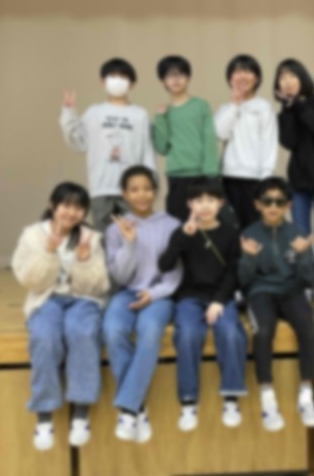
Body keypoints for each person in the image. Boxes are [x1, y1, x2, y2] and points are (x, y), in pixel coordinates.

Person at [11, 182, 109, 451]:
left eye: (78, 207)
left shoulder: (91, 237)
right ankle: (44, 415)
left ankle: (81, 412)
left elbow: (98, 285)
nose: (71, 212)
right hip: (46, 298)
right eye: (66, 205)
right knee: (45, 336)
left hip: (83, 300)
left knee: (82, 333)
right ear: (53, 205)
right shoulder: (32, 235)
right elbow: (30, 281)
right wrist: (48, 252)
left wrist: (84, 260)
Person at [158, 179, 247, 431]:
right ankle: (188, 401)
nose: (205, 206)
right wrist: (183, 237)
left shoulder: (231, 233)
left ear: (221, 203)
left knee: (230, 332)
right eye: (198, 200)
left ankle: (231, 396)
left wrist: (219, 301)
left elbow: (233, 272)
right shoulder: (183, 231)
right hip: (189, 296)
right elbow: (164, 265)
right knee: (187, 333)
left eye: (211, 200)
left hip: (221, 296)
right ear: (190, 204)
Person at [103, 166, 183, 443]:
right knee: (112, 330)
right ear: (124, 194)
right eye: (134, 189)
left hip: (160, 294)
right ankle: (138, 407)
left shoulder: (172, 225)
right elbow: (120, 277)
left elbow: (175, 274)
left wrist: (155, 293)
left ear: (156, 191)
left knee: (149, 332)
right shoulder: (114, 229)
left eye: (147, 188)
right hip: (127, 292)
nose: (142, 195)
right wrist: (129, 243)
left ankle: (128, 409)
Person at [238, 177, 314, 432]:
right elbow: (243, 280)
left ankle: (306, 396)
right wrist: (248, 259)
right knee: (263, 331)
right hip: (261, 292)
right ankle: (268, 399)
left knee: (308, 327)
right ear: (257, 204)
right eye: (267, 201)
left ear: (288, 205)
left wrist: (304, 255)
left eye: (279, 201)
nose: (273, 206)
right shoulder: (249, 234)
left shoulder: (297, 233)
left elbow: (310, 279)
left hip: (292, 291)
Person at [59, 57, 155, 231]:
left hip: (133, 189)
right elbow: (79, 143)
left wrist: (150, 183)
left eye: (123, 77)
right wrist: (69, 113)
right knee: (102, 237)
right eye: (112, 76)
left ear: (132, 84)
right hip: (100, 187)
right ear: (103, 81)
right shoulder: (94, 112)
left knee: (135, 234)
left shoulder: (140, 114)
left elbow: (147, 151)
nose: (117, 81)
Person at [152, 55, 220, 221]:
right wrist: (160, 119)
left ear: (188, 77)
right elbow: (162, 148)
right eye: (170, 75)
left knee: (204, 221)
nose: (176, 79)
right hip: (176, 174)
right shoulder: (165, 112)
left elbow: (209, 140)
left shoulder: (200, 105)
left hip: (201, 174)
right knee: (177, 222)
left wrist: (211, 175)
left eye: (180, 74)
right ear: (163, 81)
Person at [275, 58, 314, 236]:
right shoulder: (284, 112)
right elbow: (289, 142)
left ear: (302, 77)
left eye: (292, 76)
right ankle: (305, 257)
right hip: (298, 182)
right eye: (282, 78)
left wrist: (299, 105)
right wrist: (288, 109)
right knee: (300, 234)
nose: (287, 82)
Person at [215, 54, 278, 229]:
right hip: (229, 176)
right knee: (230, 226)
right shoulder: (225, 108)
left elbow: (269, 144)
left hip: (255, 178)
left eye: (248, 72)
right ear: (230, 78)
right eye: (237, 72)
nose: (242, 76)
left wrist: (266, 179)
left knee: (255, 227)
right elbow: (220, 134)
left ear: (257, 78)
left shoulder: (264, 107)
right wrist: (235, 105)